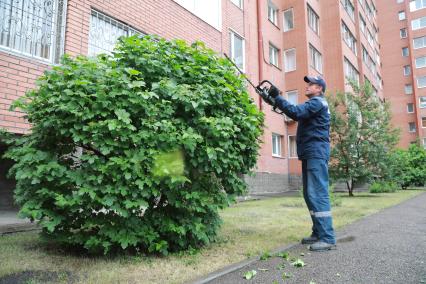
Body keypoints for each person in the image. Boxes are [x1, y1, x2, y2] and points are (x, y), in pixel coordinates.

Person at [266, 75, 336, 251]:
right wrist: (274, 100)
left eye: (311, 84)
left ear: (319, 88)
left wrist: (278, 97)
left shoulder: (318, 102)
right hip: (311, 153)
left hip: (316, 153)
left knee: (317, 193)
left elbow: (295, 112)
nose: (308, 86)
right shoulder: (315, 105)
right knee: (309, 193)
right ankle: (318, 232)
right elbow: (294, 113)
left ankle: (327, 238)